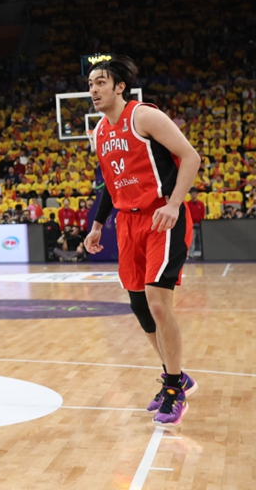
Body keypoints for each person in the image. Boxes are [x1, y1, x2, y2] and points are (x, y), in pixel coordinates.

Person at [84, 57, 200, 428]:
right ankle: (174, 375)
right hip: (127, 223)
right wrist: (97, 225)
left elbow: (191, 157)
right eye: (90, 84)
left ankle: (174, 388)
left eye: (101, 82)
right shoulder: (99, 132)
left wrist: (174, 204)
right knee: (140, 308)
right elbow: (109, 183)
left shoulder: (144, 116)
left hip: (161, 216)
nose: (94, 90)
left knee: (158, 303)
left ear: (120, 87)